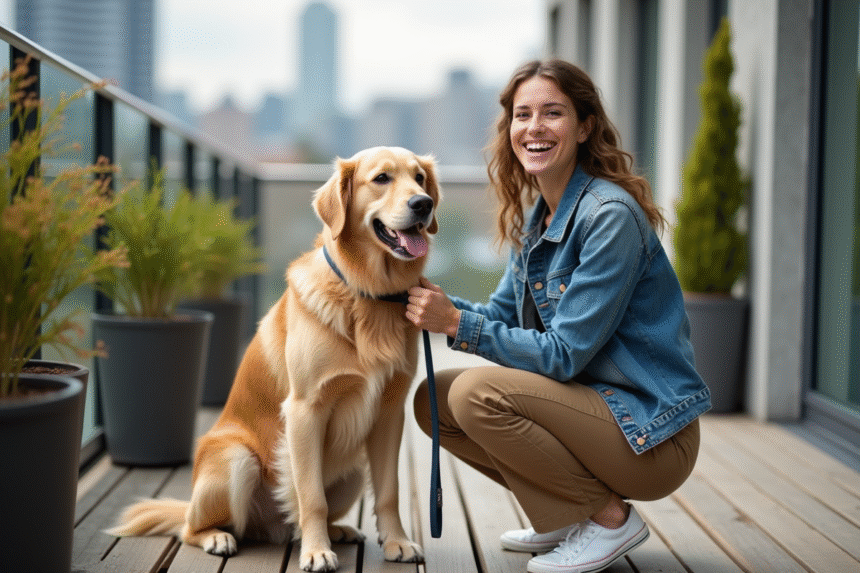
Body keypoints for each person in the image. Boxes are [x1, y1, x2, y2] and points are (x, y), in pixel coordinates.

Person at [405, 59, 710, 573]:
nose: (534, 128)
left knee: (476, 394)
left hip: (651, 434)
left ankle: (608, 518)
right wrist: (434, 303)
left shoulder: (606, 217)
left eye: (553, 113)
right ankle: (571, 515)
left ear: (584, 126)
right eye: (522, 115)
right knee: (432, 400)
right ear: (510, 130)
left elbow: (564, 355)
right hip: (597, 413)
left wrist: (455, 324)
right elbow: (504, 315)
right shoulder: (540, 218)